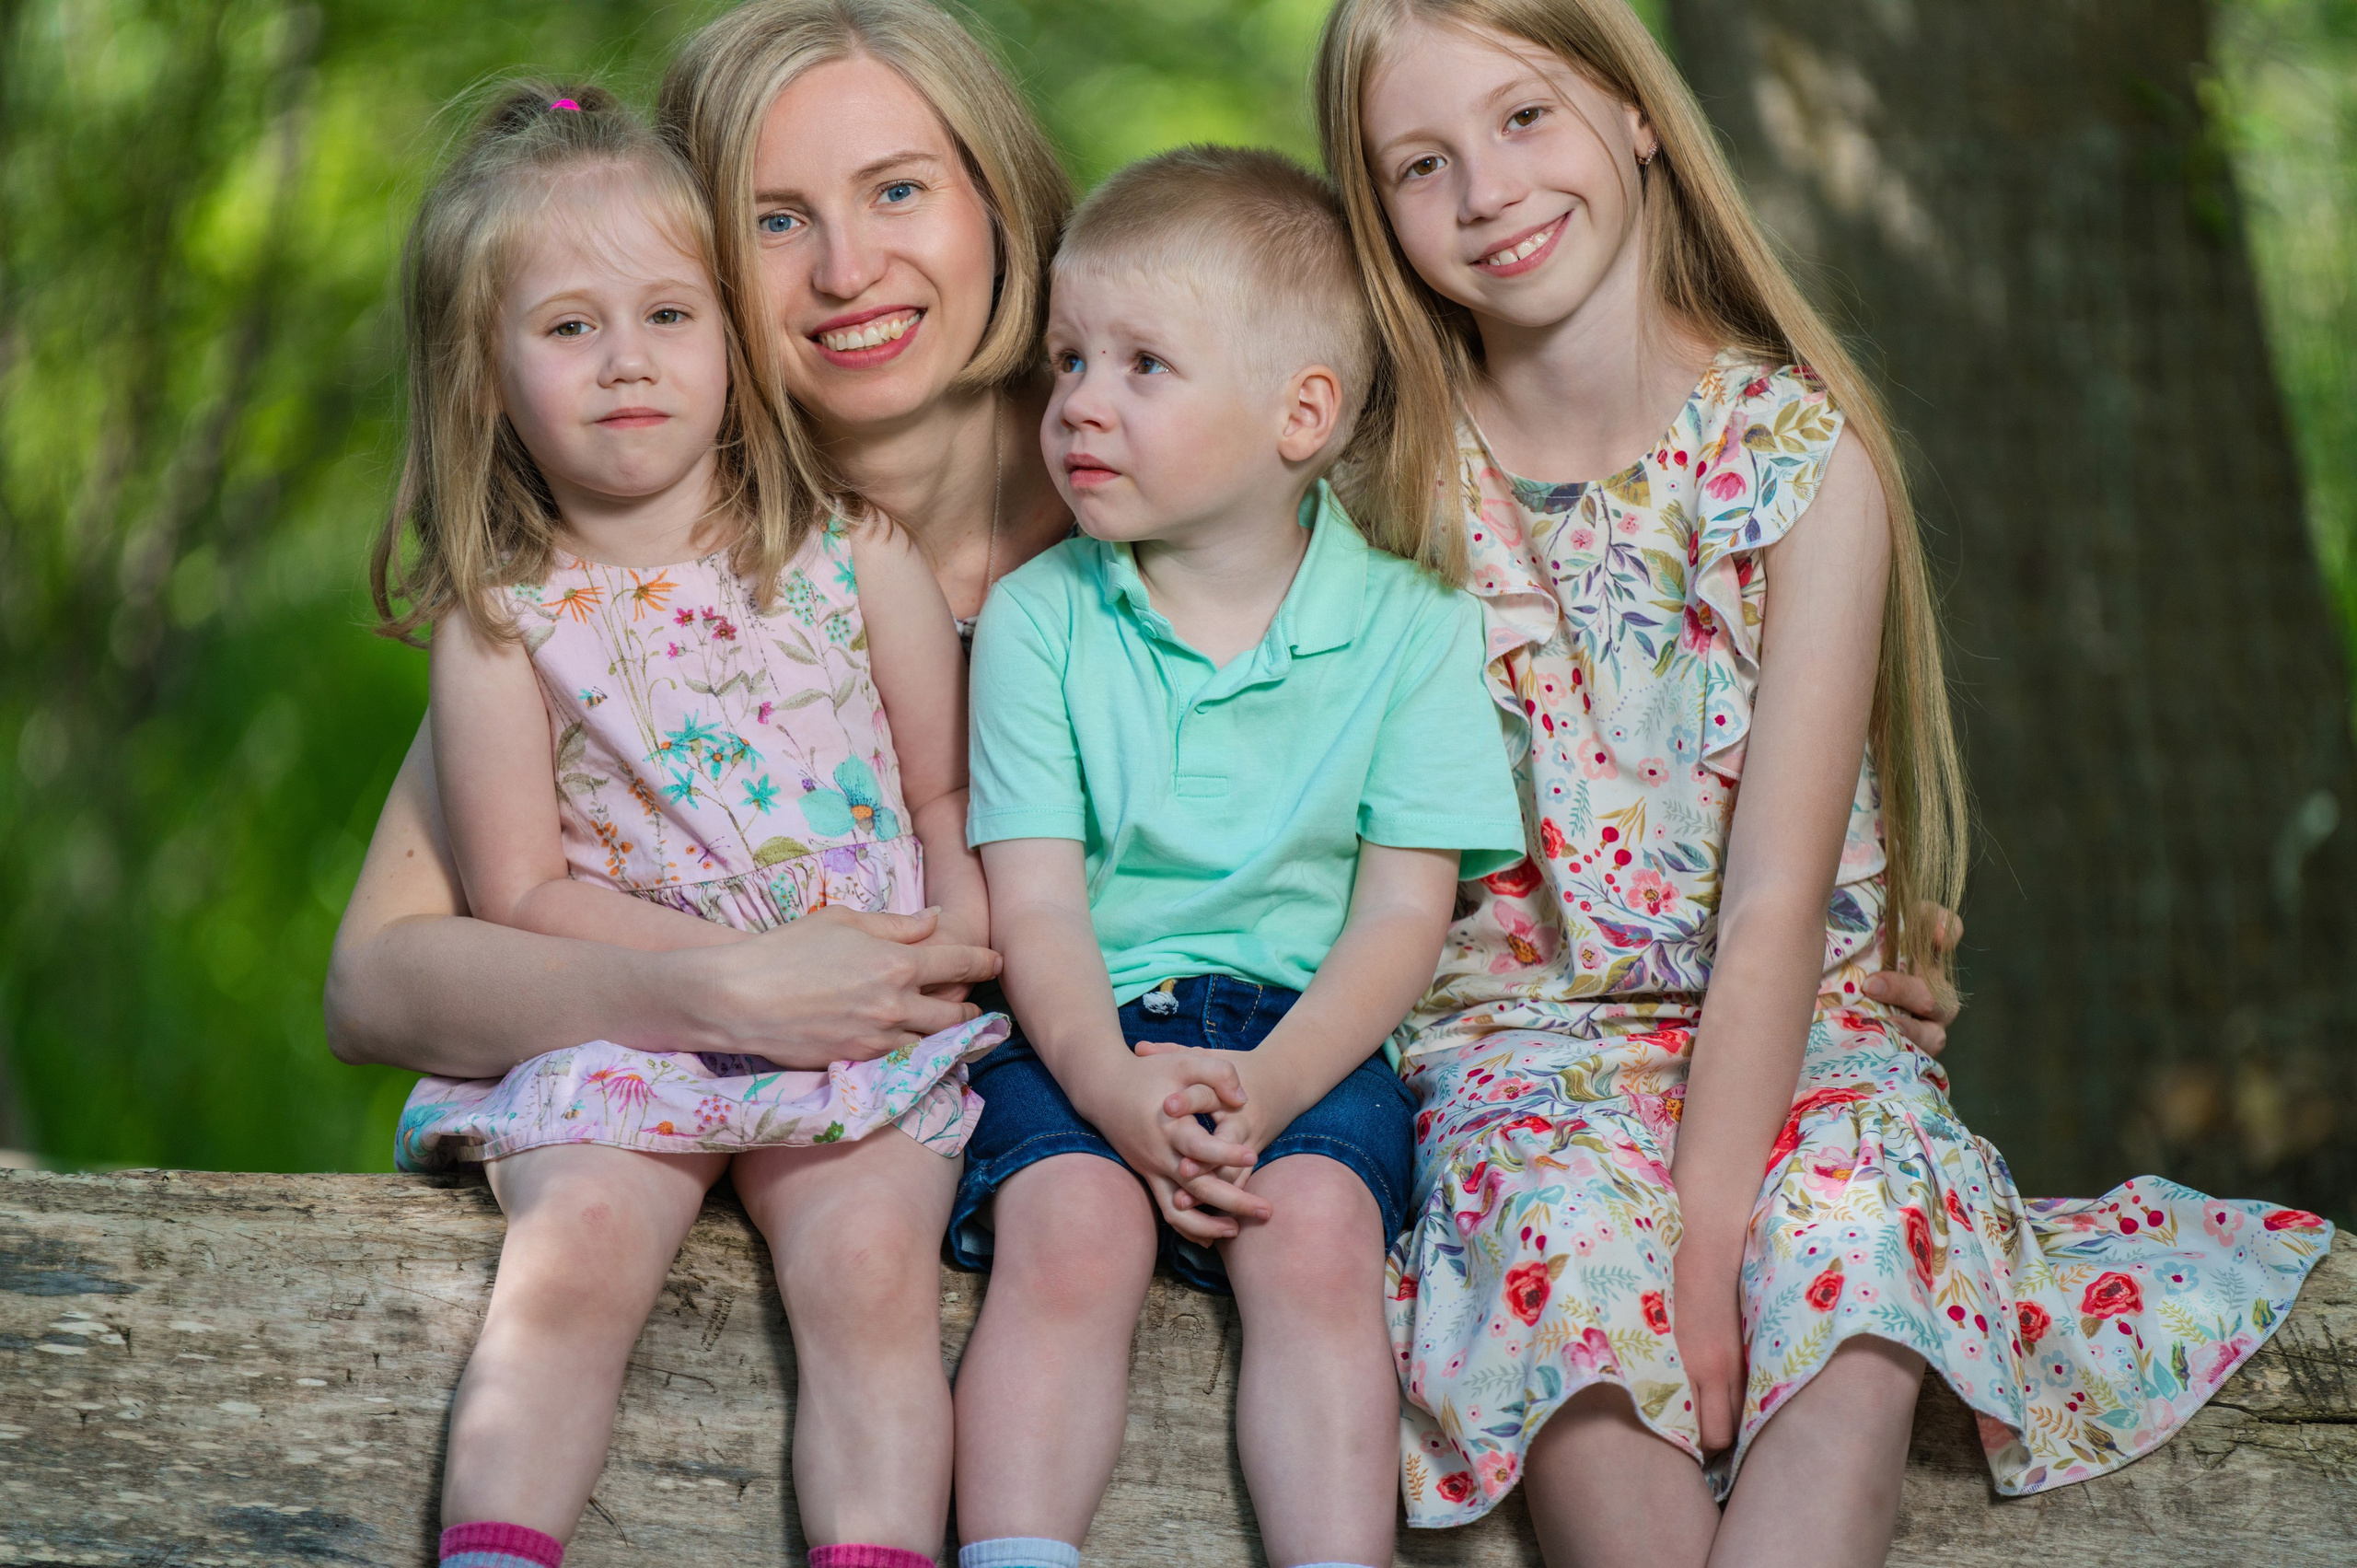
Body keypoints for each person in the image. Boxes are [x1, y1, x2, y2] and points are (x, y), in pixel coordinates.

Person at [1315, 2, 2337, 1565]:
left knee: (1853, 1243)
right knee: (1570, 1274)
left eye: (1527, 118)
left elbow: (1780, 899)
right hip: (1519, 1054)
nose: (1488, 188)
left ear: (1639, 111)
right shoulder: (1381, 484)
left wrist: (1714, 1245)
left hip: (1808, 1037)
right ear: (1375, 205)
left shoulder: (1798, 454)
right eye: (1420, 162)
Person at [367, 83, 1001, 1568]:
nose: (626, 363)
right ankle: (498, 1548)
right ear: (486, 376)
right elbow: (520, 889)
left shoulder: (850, 554)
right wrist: (719, 982)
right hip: (628, 1020)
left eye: (667, 314)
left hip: (864, 1005)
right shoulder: (499, 623)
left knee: (865, 1271)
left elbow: (940, 788)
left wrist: (960, 923)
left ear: (729, 334)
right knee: (575, 1247)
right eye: (570, 328)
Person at [943, 146, 1527, 1568]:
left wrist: (1270, 1084)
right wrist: (1103, 1082)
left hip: (1305, 1038)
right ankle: (1016, 1550)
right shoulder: (1038, 620)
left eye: (1146, 365)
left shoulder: (1415, 631)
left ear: (1301, 414)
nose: (1080, 400)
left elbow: (1402, 915)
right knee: (1070, 1232)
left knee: (1318, 1236)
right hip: (1084, 1026)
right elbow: (1036, 900)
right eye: (1070, 360)